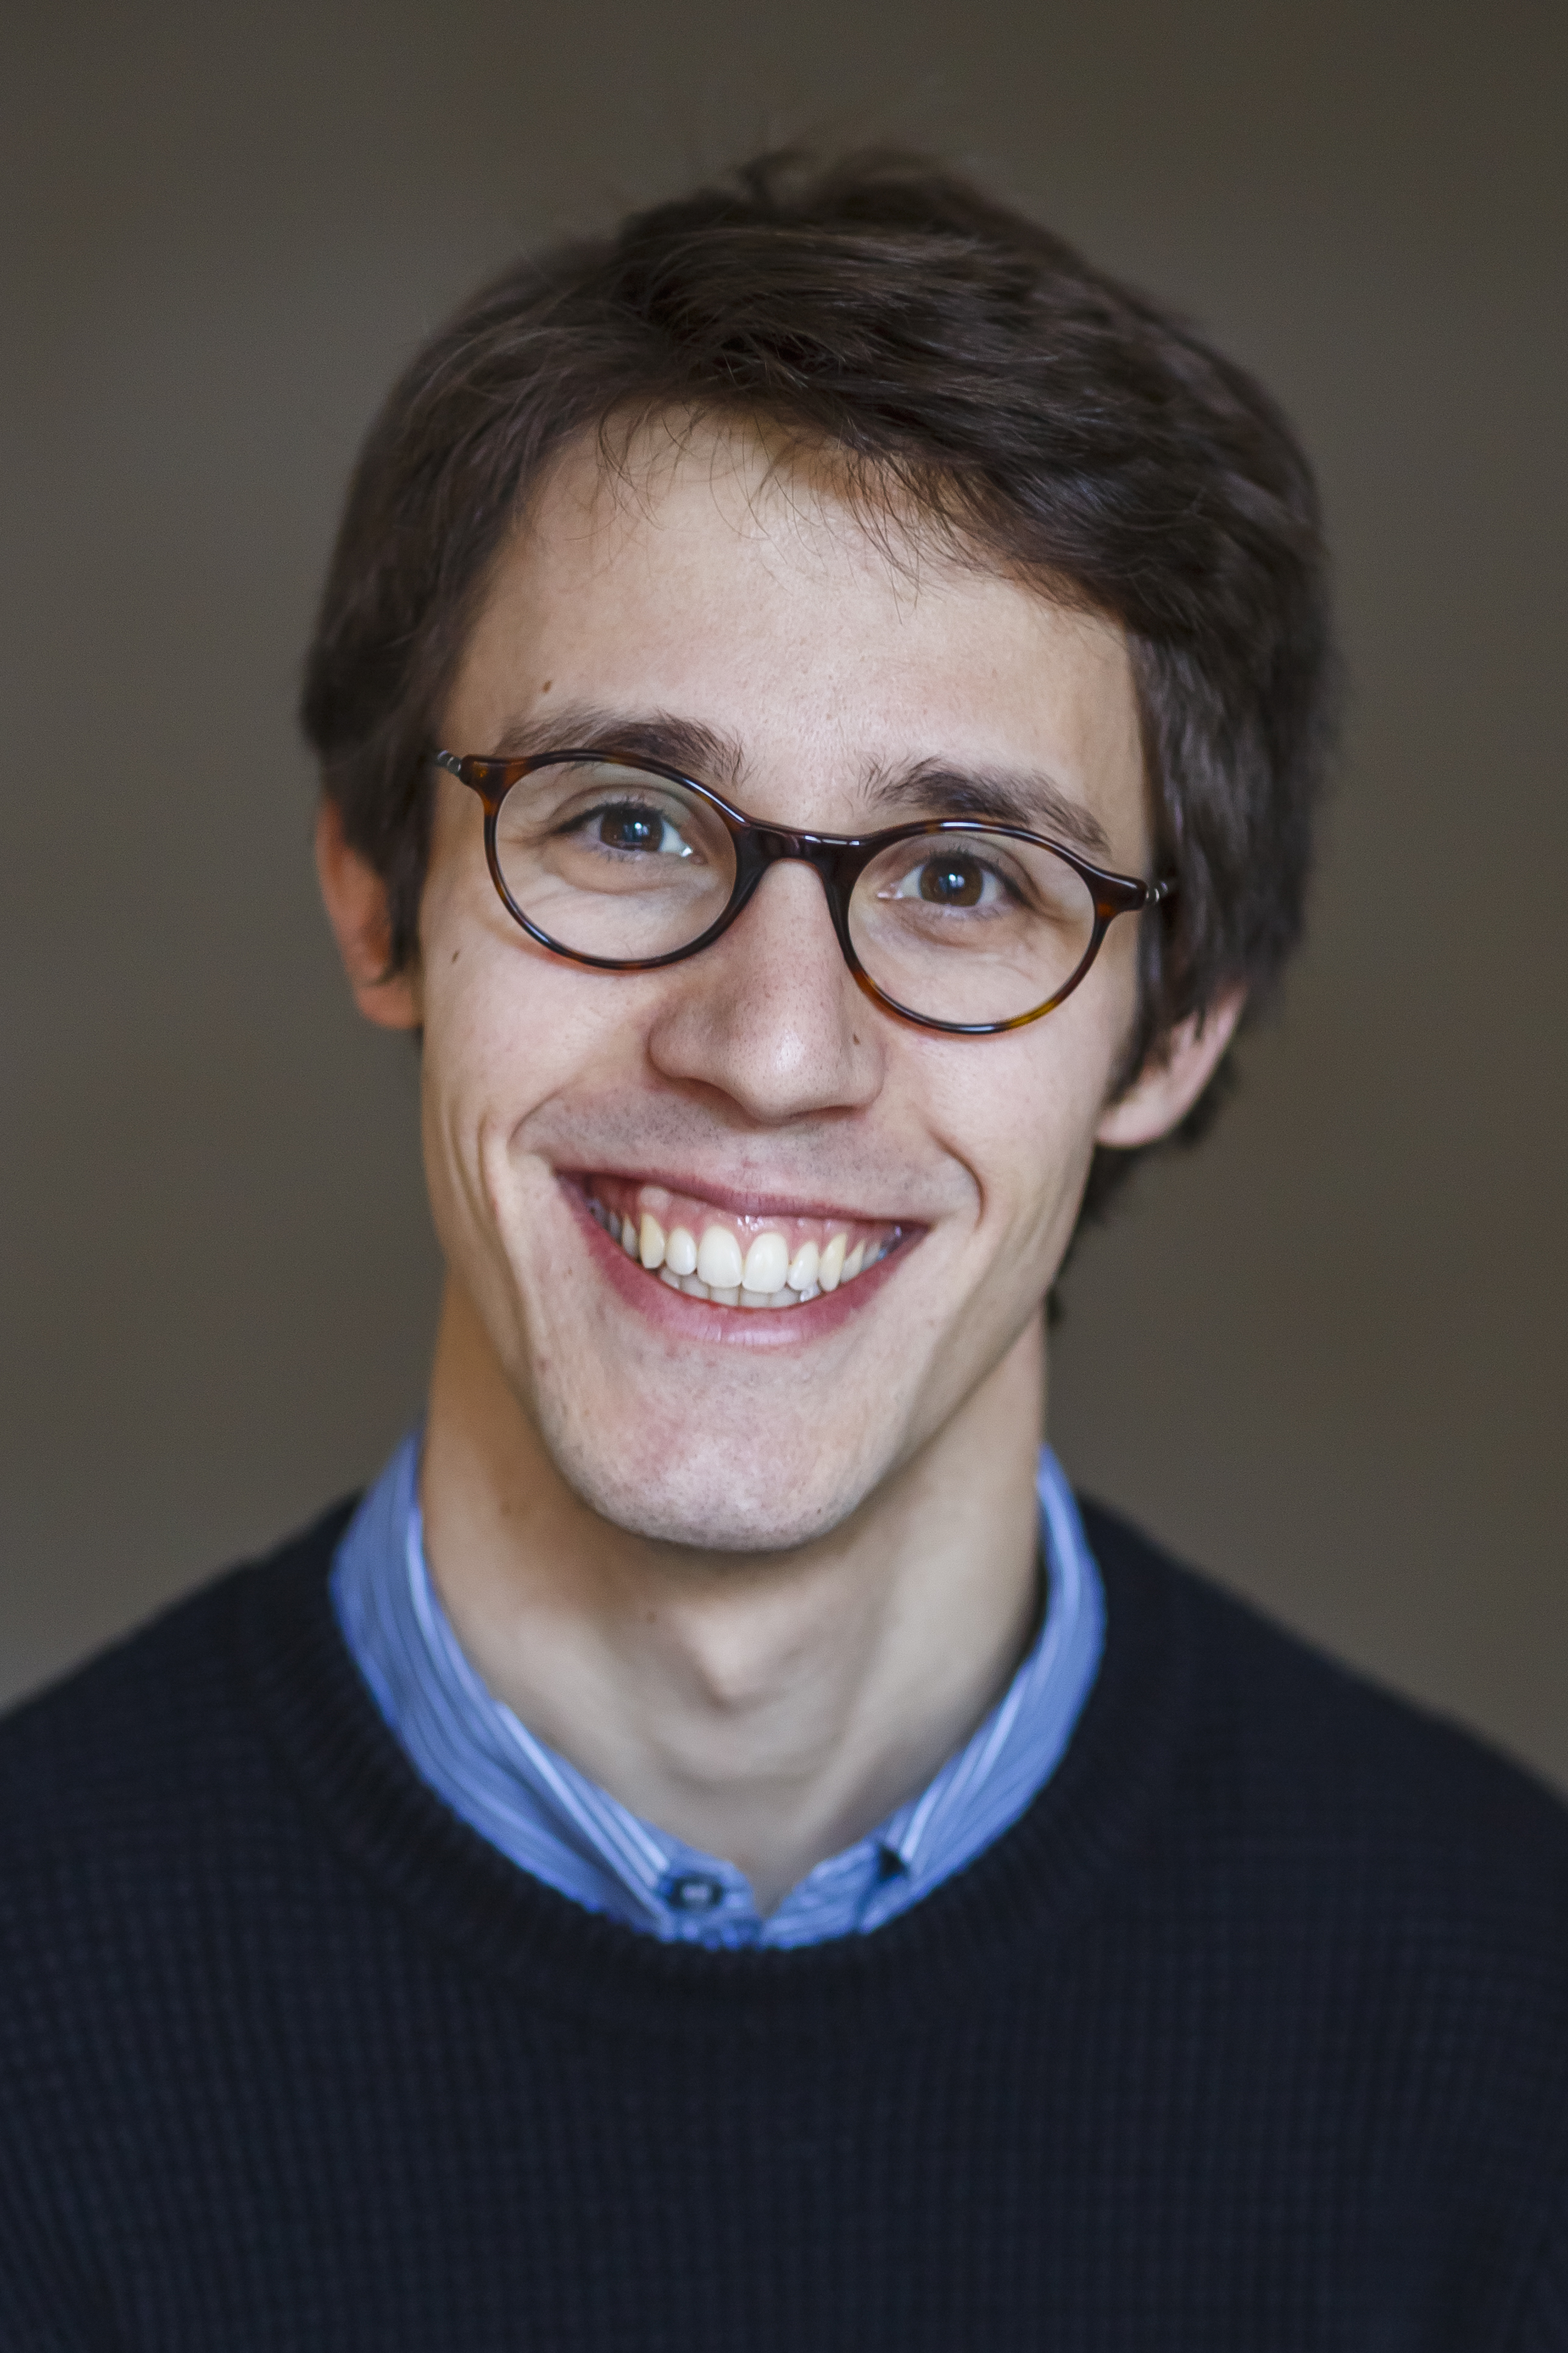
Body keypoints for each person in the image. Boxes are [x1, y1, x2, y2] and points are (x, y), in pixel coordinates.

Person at [2, 152, 1565, 2351]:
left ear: (1174, 1027)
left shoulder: (1517, 2043)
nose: (769, 1046)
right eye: (628, 821)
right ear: (377, 889)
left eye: (965, 878)